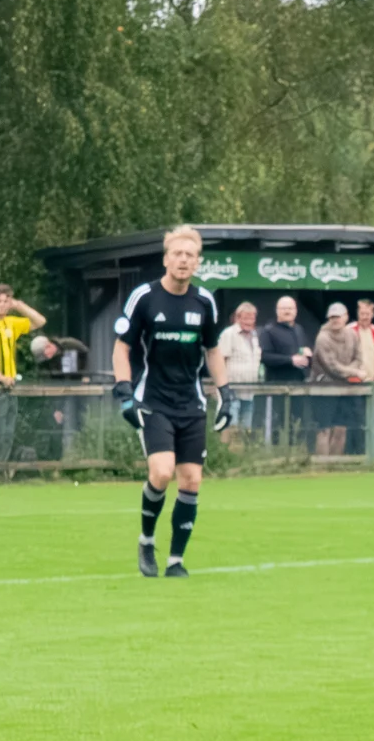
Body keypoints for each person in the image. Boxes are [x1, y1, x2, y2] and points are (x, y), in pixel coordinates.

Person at [111, 226, 235, 578]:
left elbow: (213, 350)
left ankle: (175, 561)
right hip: (153, 401)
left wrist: (226, 394)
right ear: (166, 259)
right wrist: (124, 392)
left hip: (191, 403)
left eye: (189, 255)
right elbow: (122, 347)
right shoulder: (144, 297)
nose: (183, 260)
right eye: (177, 254)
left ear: (197, 262)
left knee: (191, 480)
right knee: (162, 472)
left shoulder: (204, 301)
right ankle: (147, 540)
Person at [310, 302, 365, 455]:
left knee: (341, 429)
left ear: (346, 317)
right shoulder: (322, 338)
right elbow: (332, 366)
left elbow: (358, 357)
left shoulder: (352, 335)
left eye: (338, 316)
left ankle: (335, 464)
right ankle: (321, 465)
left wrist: (351, 370)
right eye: (332, 317)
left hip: (345, 389)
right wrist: (354, 372)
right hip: (324, 390)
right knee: (324, 430)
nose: (335, 320)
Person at [0, 284, 48, 386]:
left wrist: (19, 306)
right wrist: (0, 377)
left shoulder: (11, 323)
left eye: (6, 301)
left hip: (11, 381)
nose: (2, 304)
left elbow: (41, 321)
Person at [217, 302, 262, 428]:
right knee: (232, 425)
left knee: (246, 427)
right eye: (246, 318)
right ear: (238, 318)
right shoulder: (229, 334)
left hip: (250, 389)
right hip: (232, 389)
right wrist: (222, 385)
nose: (249, 321)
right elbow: (220, 359)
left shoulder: (255, 335)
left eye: (252, 318)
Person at [259, 296, 311, 383]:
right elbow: (264, 357)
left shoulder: (299, 329)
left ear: (296, 311)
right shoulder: (268, 331)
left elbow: (303, 350)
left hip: (299, 382)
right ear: (277, 311)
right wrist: (290, 360)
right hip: (277, 383)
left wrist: (308, 355)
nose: (287, 311)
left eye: (290, 308)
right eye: (283, 308)